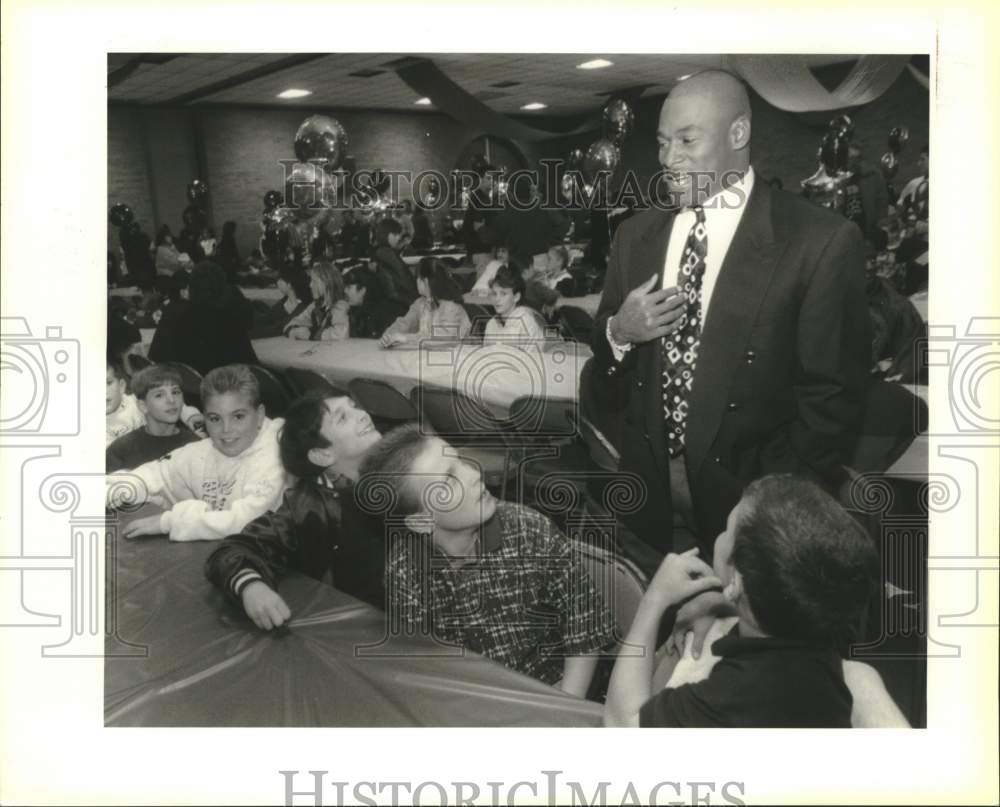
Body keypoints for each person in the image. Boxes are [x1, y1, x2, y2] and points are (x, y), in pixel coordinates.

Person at [592, 70, 870, 559]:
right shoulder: (634, 236)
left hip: (756, 501)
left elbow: (833, 394)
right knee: (659, 627)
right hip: (649, 498)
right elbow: (606, 359)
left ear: (738, 134)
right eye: (661, 142)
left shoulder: (818, 240)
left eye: (686, 139)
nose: (668, 158)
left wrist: (786, 493)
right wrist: (619, 330)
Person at [604, 475, 908, 728]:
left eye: (727, 529)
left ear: (736, 579)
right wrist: (725, 602)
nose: (721, 536)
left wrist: (654, 600)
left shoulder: (731, 695)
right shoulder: (820, 650)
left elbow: (621, 723)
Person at [363, 424, 617, 698]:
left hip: (552, 689)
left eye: (460, 461)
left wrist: (564, 708)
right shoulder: (404, 572)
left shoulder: (529, 531)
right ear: (421, 521)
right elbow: (429, 669)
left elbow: (585, 633)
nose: (474, 475)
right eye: (449, 480)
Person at [204, 394, 385, 626]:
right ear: (322, 454)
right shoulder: (311, 507)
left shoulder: (402, 464)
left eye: (354, 406)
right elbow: (231, 550)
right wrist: (251, 586)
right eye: (342, 418)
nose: (361, 415)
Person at [106, 364, 288, 542]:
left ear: (260, 415)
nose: (226, 429)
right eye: (215, 418)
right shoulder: (204, 449)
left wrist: (168, 522)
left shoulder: (280, 456)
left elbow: (249, 521)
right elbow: (155, 474)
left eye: (238, 416)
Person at [148, 260, 258, 374]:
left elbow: (155, 357)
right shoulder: (230, 316)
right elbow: (250, 365)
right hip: (225, 385)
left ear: (190, 288)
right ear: (223, 289)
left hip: (184, 385)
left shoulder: (172, 312)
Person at [106, 364, 203, 472]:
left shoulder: (195, 444)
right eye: (159, 395)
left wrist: (192, 417)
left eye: (175, 392)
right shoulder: (119, 450)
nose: (171, 400)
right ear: (143, 406)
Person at [379, 258, 471, 347]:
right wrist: (390, 335)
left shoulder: (451, 306)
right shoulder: (420, 303)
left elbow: (446, 338)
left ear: (426, 281)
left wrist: (406, 338)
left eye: (418, 278)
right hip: (432, 355)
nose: (416, 281)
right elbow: (405, 323)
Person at [284, 261, 350, 341]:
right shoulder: (317, 305)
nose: (310, 285)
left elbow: (340, 334)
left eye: (314, 281)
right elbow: (292, 323)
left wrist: (311, 335)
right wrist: (294, 331)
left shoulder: (340, 305)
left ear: (326, 283)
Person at [483, 264, 546, 347]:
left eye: (503, 294)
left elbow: (532, 358)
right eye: (494, 293)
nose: (497, 299)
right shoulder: (492, 324)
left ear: (516, 297)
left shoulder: (526, 322)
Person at [343, 266, 407, 339]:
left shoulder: (384, 314)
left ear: (362, 290)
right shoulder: (360, 313)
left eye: (348, 287)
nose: (345, 291)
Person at [249, 268, 313, 339]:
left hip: (273, 326)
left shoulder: (301, 306)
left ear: (289, 285)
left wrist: (248, 334)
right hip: (268, 321)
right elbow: (269, 316)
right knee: (256, 304)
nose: (277, 282)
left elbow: (278, 327)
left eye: (280, 280)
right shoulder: (285, 300)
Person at [370, 217, 418, 307]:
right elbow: (403, 280)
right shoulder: (387, 255)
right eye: (395, 234)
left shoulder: (382, 252)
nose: (399, 237)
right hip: (400, 303)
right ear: (387, 235)